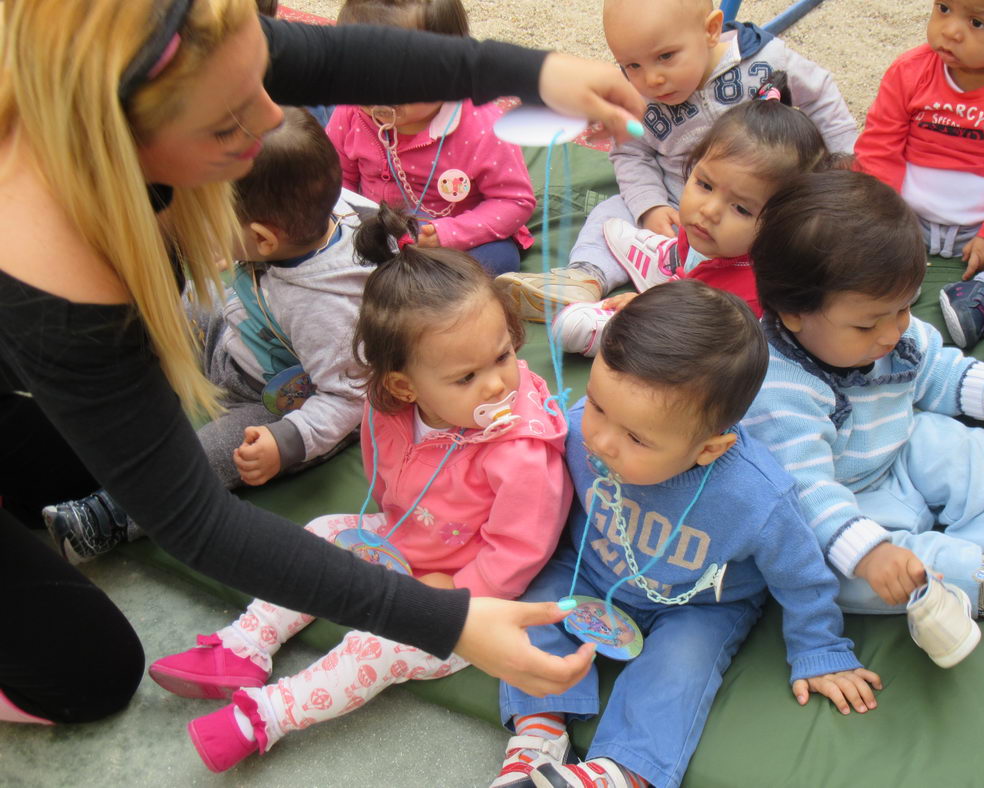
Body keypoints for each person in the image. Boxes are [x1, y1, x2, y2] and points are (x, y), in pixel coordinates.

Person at [0, 0, 645, 726]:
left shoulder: (165, 55)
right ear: (116, 147)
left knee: (78, 471)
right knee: (88, 679)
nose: (273, 121)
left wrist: (533, 71)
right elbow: (195, 523)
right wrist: (447, 620)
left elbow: (337, 57)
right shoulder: (58, 288)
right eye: (227, 124)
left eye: (263, 82)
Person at [147, 205, 573, 772]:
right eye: (466, 376)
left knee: (378, 646)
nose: (497, 381)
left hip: (478, 602)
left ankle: (267, 716)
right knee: (324, 532)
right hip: (405, 540)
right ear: (403, 384)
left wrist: (457, 595)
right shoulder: (387, 409)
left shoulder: (521, 453)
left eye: (504, 356)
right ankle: (244, 645)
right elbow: (386, 484)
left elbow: (520, 553)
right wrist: (390, 548)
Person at [489, 281, 881, 788]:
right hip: (589, 568)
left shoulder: (756, 495)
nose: (602, 438)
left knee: (680, 667)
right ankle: (538, 733)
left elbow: (800, 574)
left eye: (636, 437)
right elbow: (538, 497)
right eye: (599, 405)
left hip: (700, 603)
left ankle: (620, 771)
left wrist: (819, 648)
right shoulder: (580, 429)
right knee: (533, 602)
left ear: (708, 450)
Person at [743, 170, 984, 672]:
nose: (893, 333)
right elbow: (804, 492)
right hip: (838, 511)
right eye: (868, 323)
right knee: (833, 570)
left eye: (904, 308)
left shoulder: (893, 330)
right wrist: (868, 552)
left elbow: (936, 368)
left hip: (896, 454)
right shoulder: (778, 388)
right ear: (793, 312)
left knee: (969, 445)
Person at [43, 107, 370, 562]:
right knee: (171, 299)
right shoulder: (310, 217)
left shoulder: (324, 311)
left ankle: (111, 515)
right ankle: (96, 361)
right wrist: (233, 256)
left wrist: (287, 442)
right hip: (241, 335)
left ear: (263, 238)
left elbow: (348, 399)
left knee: (212, 453)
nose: (200, 225)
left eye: (210, 218)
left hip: (280, 401)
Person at [495, 0, 855, 321]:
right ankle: (585, 278)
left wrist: (846, 168)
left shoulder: (762, 61)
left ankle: (692, 285)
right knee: (611, 212)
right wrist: (649, 207)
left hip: (755, 208)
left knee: (804, 243)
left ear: (711, 30)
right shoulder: (633, 93)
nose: (652, 78)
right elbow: (630, 152)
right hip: (678, 200)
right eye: (631, 65)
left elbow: (822, 97)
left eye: (666, 56)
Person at [552, 72, 840, 357]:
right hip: (691, 284)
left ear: (783, 224)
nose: (710, 210)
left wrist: (641, 312)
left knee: (573, 328)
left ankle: (670, 281)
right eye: (704, 184)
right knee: (617, 208)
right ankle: (671, 263)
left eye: (741, 208)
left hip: (689, 339)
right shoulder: (714, 236)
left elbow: (695, 354)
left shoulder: (748, 295)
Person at [854, 0, 984, 350]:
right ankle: (895, 271)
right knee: (844, 196)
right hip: (907, 219)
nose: (951, 30)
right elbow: (878, 149)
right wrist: (884, 221)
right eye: (944, 8)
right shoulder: (909, 71)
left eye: (976, 22)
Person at [326, 0, 536, 277]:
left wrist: (448, 234)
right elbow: (337, 181)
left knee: (498, 258)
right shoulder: (351, 113)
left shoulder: (484, 125)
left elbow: (514, 202)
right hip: (375, 234)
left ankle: (423, 293)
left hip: (453, 244)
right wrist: (350, 227)